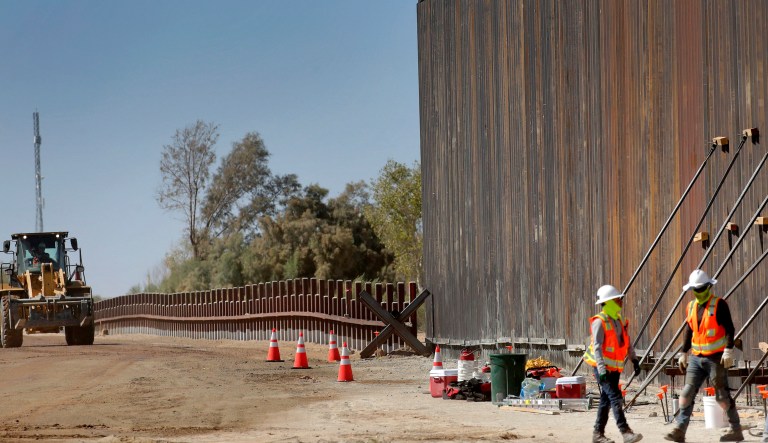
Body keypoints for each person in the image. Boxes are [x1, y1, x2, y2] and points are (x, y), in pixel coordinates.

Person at [665, 269, 743, 442]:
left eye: (701, 289)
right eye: (696, 289)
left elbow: (730, 329)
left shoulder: (719, 304)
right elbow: (689, 329)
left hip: (716, 358)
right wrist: (683, 352)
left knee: (722, 396)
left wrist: (728, 349)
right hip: (696, 357)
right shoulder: (691, 306)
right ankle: (680, 430)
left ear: (708, 287)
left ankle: (736, 429)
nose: (699, 293)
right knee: (686, 393)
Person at [583, 284, 643, 443]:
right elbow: (596, 347)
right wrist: (601, 370)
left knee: (606, 400)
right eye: (618, 299)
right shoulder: (599, 321)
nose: (621, 301)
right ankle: (626, 432)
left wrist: (634, 360)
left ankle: (598, 434)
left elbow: (627, 342)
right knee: (615, 397)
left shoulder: (620, 320)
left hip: (615, 368)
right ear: (609, 302)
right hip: (601, 368)